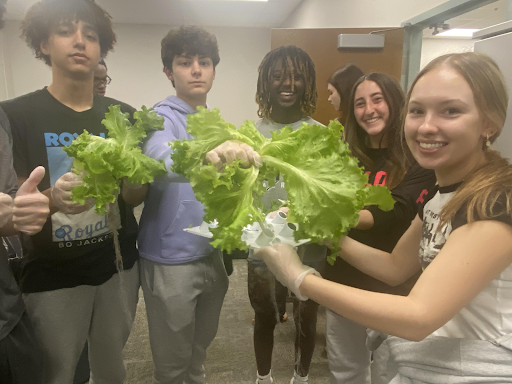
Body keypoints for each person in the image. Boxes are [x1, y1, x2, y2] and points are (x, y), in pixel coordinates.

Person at [256, 52, 512, 382]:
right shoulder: (442, 195)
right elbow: (394, 268)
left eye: (451, 111)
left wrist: (298, 277)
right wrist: (325, 232)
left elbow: (417, 317)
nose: (426, 125)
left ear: (490, 122)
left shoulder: (494, 203)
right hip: (434, 364)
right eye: (417, 111)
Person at [0, 1, 145, 383]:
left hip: (117, 267)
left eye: (91, 35)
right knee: (56, 372)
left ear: (102, 48)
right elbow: (7, 205)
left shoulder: (125, 115)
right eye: (66, 31)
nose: (80, 41)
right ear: (44, 44)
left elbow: (132, 199)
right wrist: (50, 199)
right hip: (51, 275)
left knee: (112, 365)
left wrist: (134, 180)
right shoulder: (15, 115)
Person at [323, 73, 436, 384]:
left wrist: (328, 219)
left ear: (395, 104)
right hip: (343, 282)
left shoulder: (418, 158)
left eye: (377, 99)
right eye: (360, 103)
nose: (369, 109)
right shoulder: (342, 155)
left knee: (389, 373)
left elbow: (397, 210)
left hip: (392, 290)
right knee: (346, 371)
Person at [137, 25, 229, 384]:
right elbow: (161, 157)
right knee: (172, 365)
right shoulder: (163, 117)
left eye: (204, 62)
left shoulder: (215, 123)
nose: (195, 69)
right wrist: (207, 156)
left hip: (211, 255)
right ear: (168, 71)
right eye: (185, 62)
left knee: (198, 356)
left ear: (213, 70)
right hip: (170, 259)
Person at [244, 45, 327, 384]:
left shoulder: (321, 133)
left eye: (296, 77)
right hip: (263, 242)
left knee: (306, 316)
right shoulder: (250, 133)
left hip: (310, 243)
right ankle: (263, 378)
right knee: (264, 315)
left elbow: (328, 194)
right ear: (266, 82)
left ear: (307, 82)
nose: (287, 84)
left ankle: (301, 378)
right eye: (278, 76)